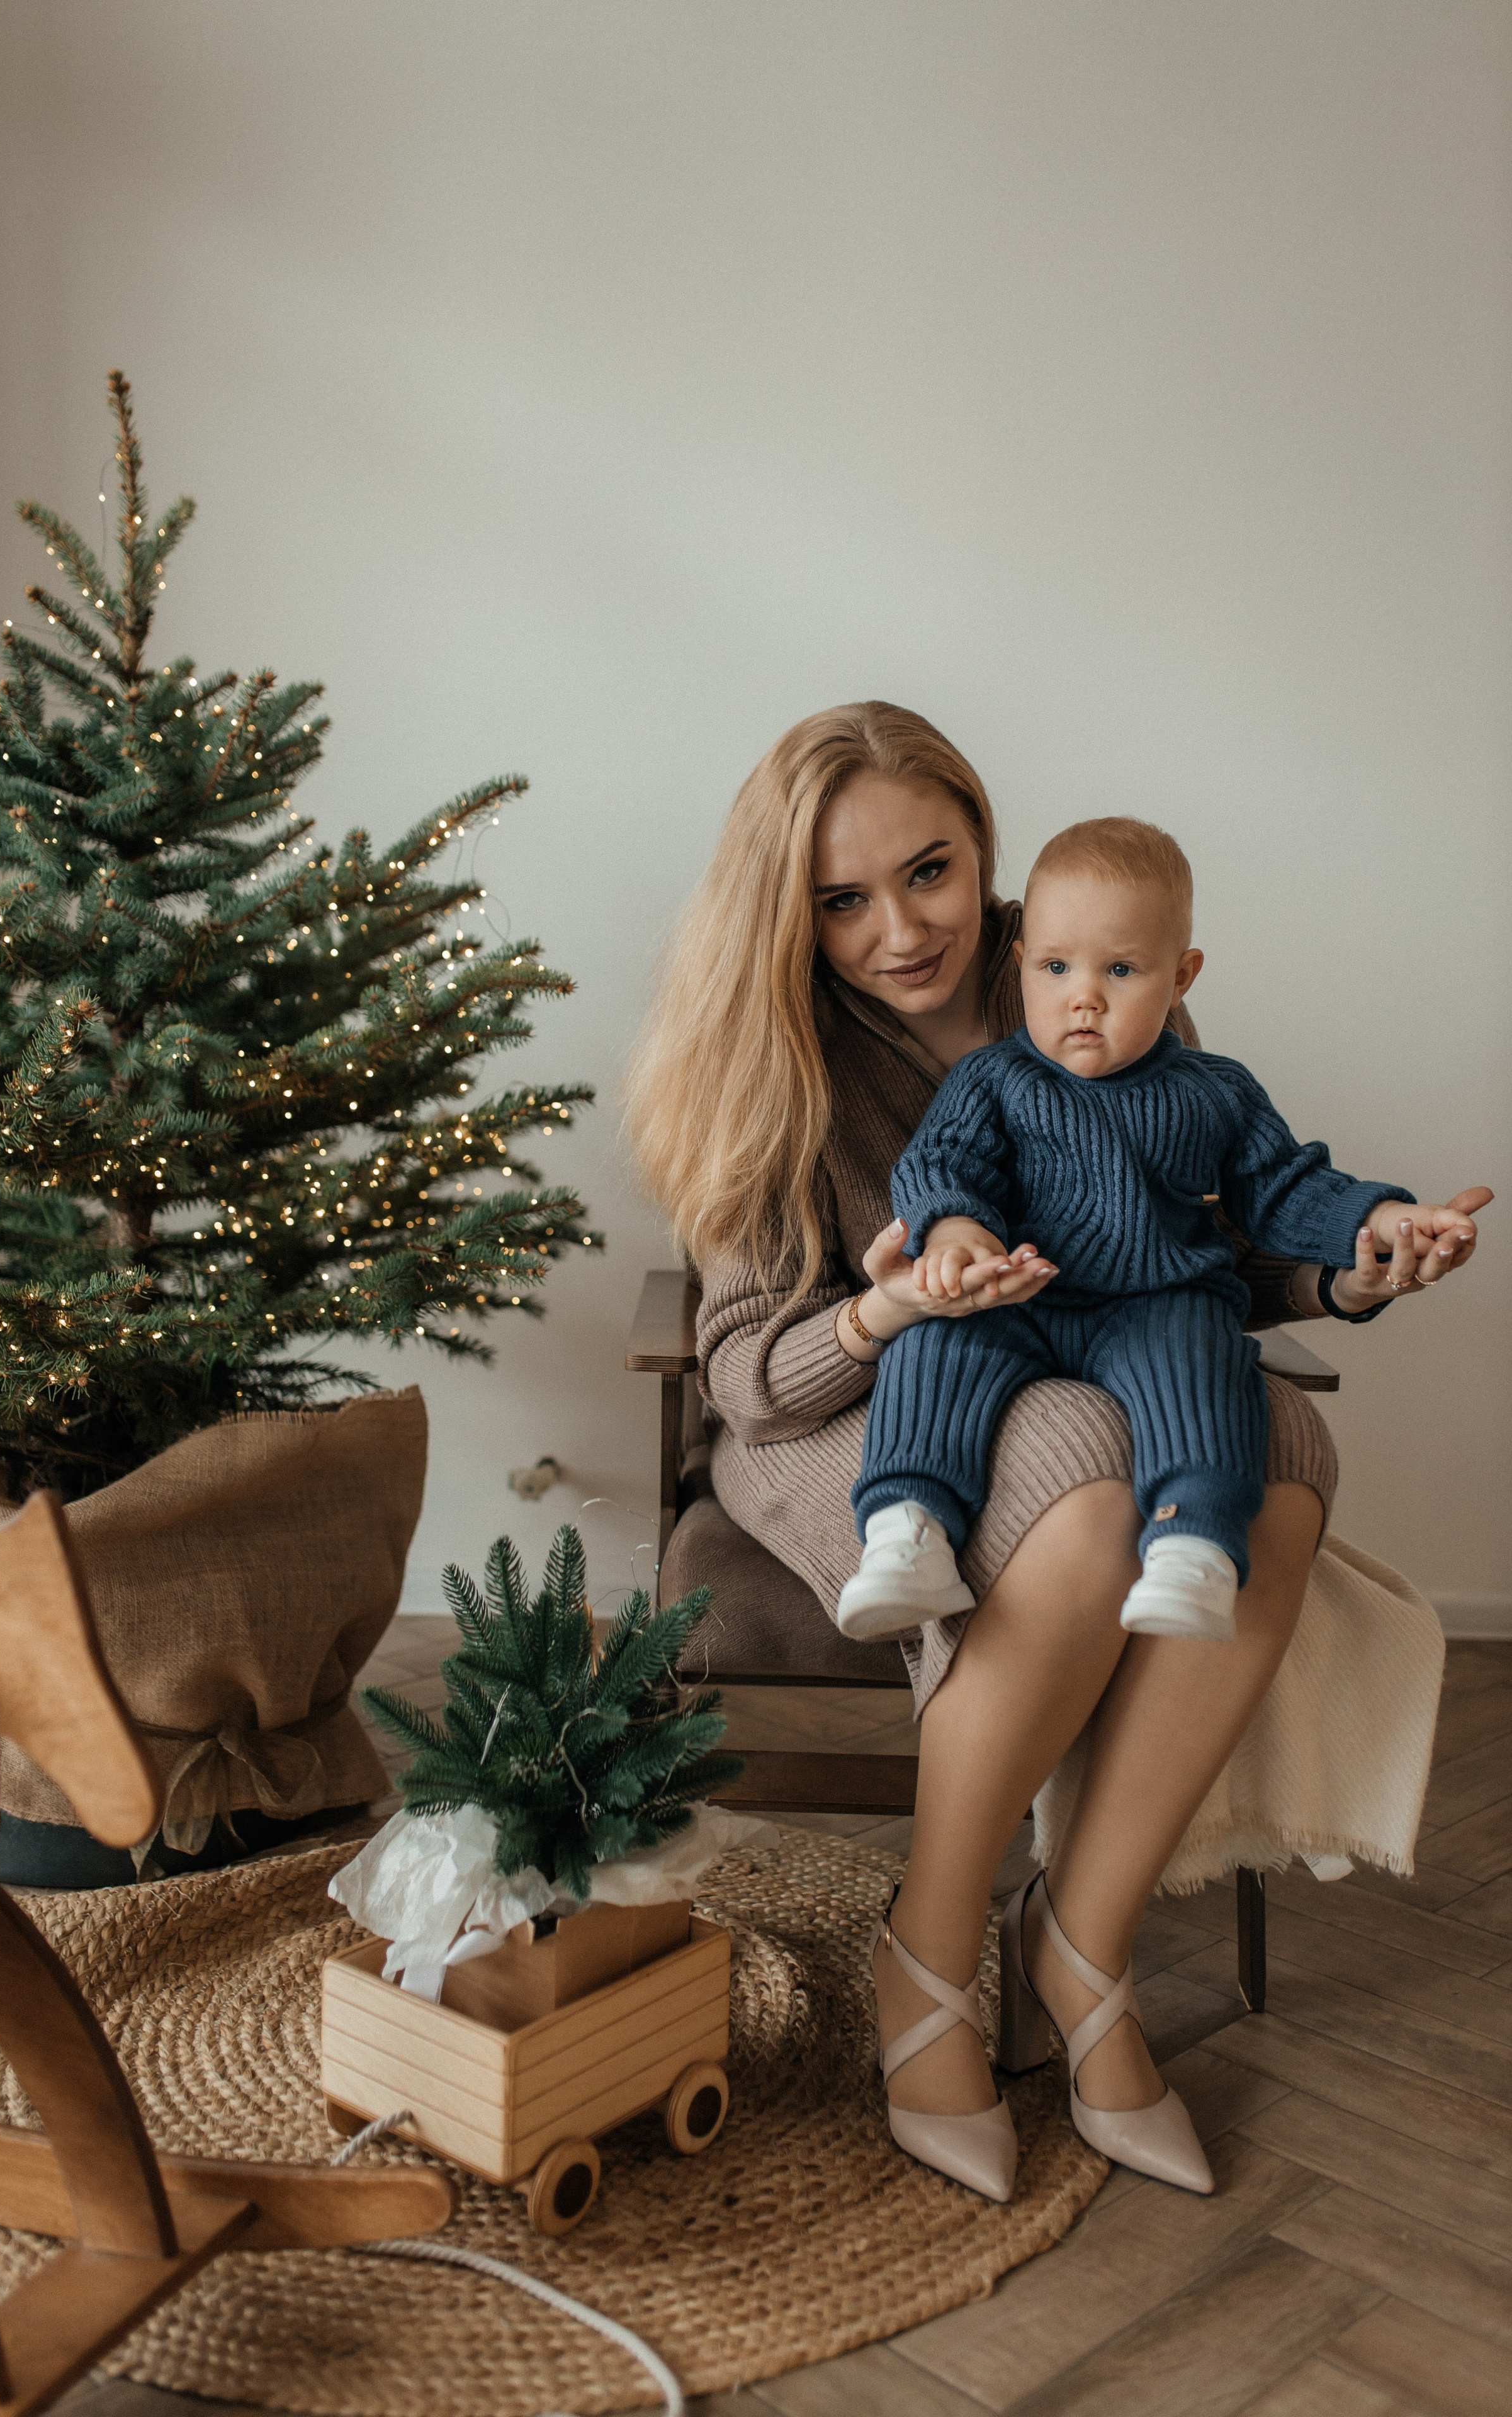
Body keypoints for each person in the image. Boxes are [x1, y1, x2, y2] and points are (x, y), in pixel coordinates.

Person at [629, 702, 1489, 2204]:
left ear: (981, 842)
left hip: (1084, 1359)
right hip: (852, 1411)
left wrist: (1353, 1269)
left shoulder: (1097, 947)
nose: (899, 929)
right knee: (1088, 1489)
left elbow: (1211, 1236)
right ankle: (929, 1947)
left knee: (1276, 1441)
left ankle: (1076, 1949)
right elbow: (752, 1383)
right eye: (840, 899)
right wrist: (892, 1303)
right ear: (789, 909)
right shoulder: (768, 1047)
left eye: (930, 871)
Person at [839, 815, 1474, 1652]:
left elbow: (1284, 1187)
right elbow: (942, 1164)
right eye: (1056, 967)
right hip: (1017, 1293)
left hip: (1156, 1300)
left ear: (1181, 978)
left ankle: (1193, 1545)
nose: (1084, 997)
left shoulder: (1215, 1090)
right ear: (1023, 958)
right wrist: (959, 1236)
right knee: (932, 1349)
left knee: (1206, 1366)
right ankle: (908, 1531)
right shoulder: (992, 1079)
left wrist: (1384, 1219)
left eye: (1122, 970)